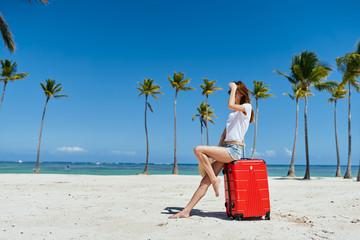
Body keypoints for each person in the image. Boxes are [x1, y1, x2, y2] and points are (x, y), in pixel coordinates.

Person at [169, 81, 255, 219]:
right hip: (225, 149)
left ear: (241, 93)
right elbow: (223, 135)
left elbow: (230, 105)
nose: (233, 93)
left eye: (235, 91)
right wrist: (217, 153)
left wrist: (233, 87)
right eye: (231, 91)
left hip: (234, 149)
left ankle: (215, 180)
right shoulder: (232, 115)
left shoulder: (247, 107)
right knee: (204, 182)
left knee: (198, 149)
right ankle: (186, 211)